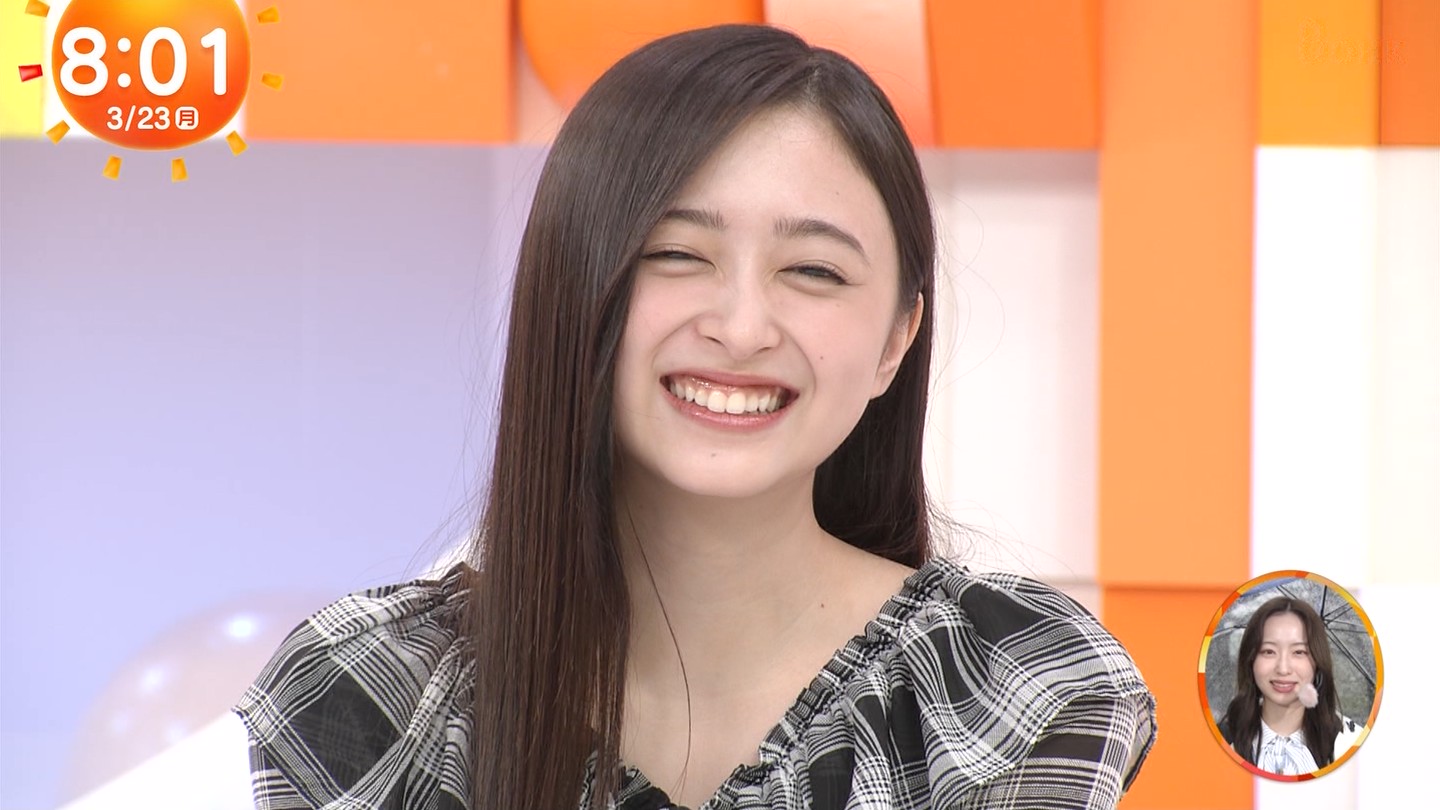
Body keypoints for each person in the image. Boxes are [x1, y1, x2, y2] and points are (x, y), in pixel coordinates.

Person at [234, 24, 1156, 810]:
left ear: (895, 341)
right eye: (677, 253)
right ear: (571, 287)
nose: (743, 327)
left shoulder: (1006, 690)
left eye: (814, 271)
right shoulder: (375, 693)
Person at [1219, 596, 1364, 776]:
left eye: (1299, 652)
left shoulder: (1351, 744)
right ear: (1251, 660)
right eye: (1268, 651)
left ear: (1318, 662)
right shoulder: (1219, 742)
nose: (1283, 668)